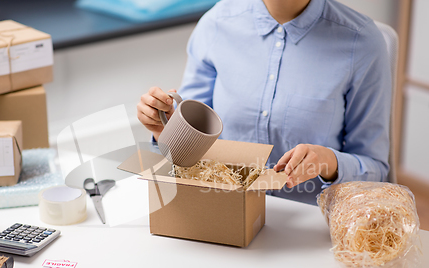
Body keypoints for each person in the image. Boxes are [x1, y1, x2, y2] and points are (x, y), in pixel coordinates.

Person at [136, 0, 391, 205]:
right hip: (223, 211)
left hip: (308, 227)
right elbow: (190, 149)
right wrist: (165, 132)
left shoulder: (361, 41)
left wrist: (330, 162)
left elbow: (375, 169)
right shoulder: (216, 24)